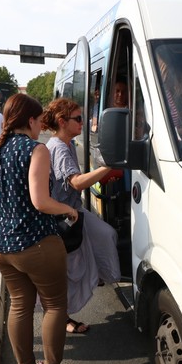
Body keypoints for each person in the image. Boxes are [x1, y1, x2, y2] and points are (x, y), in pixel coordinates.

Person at [0, 94, 78, 364]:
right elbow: (41, 201)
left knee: (20, 305)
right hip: (35, 242)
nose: (40, 129)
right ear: (31, 120)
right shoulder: (35, 150)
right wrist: (69, 209)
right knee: (54, 306)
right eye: (38, 122)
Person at [41, 98, 122, 334]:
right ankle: (61, 316)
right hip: (65, 217)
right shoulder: (59, 147)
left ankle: (96, 276)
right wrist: (107, 168)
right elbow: (76, 183)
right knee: (68, 269)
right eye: (78, 119)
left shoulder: (67, 143)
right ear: (62, 121)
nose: (83, 123)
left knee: (105, 236)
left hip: (75, 211)